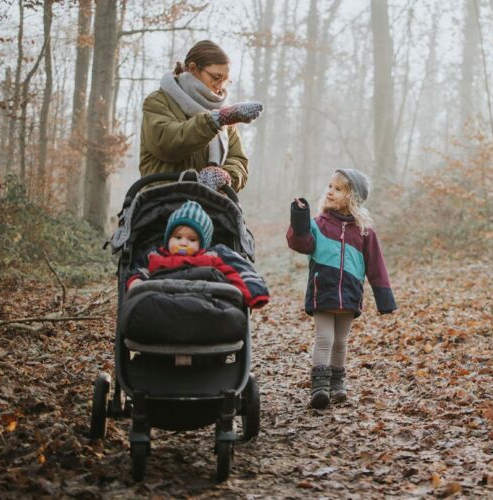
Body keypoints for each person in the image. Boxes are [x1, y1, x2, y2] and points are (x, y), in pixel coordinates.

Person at [287, 168, 396, 409]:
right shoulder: (318, 224)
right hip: (322, 290)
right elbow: (300, 243)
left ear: (352, 197)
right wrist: (299, 219)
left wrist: (384, 297)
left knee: (341, 341)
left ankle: (337, 385)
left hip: (349, 292)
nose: (331, 191)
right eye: (330, 186)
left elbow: (376, 265)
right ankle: (319, 388)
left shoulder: (365, 231)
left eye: (338, 189)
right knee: (324, 338)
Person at [140, 40, 263, 192]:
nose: (220, 87)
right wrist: (215, 121)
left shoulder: (226, 114)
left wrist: (226, 176)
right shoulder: (158, 101)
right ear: (193, 69)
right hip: (163, 202)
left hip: (211, 203)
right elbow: (166, 144)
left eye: (225, 80)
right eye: (216, 78)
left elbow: (238, 160)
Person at [128, 200, 269, 309]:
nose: (183, 243)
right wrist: (136, 282)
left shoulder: (214, 255)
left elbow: (239, 269)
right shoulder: (154, 255)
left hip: (205, 302)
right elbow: (138, 270)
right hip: (160, 303)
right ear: (168, 238)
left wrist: (254, 293)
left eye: (192, 239)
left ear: (202, 244)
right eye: (177, 237)